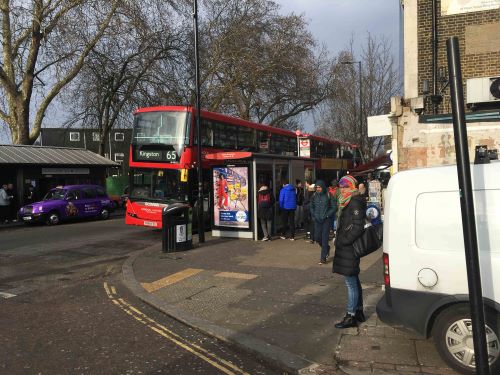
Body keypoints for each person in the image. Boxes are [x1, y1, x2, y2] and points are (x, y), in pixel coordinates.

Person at [333, 175, 367, 329]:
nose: (342, 189)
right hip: (347, 248)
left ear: (352, 187)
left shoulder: (354, 202)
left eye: (345, 186)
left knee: (350, 283)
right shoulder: (346, 201)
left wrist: (343, 240)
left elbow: (358, 227)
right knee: (354, 280)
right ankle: (359, 311)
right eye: (341, 186)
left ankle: (351, 315)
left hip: (349, 248)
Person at [310, 180, 336, 264]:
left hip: (326, 220)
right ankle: (327, 249)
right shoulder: (314, 196)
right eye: (317, 187)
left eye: (320, 187)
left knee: (324, 238)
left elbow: (334, 207)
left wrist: (327, 215)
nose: (318, 189)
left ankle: (323, 258)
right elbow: (311, 206)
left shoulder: (329, 195)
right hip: (317, 220)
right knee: (317, 237)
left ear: (323, 187)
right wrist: (314, 214)